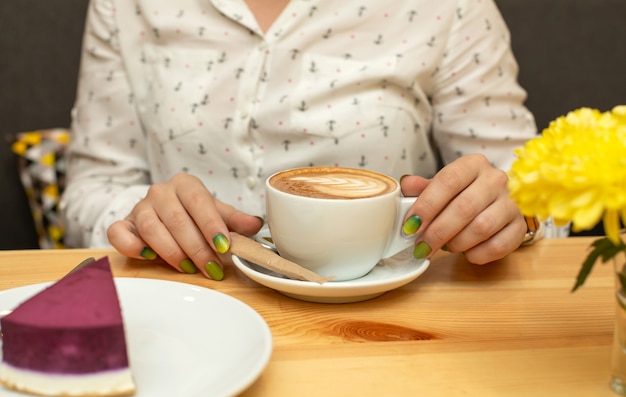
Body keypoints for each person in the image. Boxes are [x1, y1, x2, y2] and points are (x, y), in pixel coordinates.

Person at [60, 0, 538, 280]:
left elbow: (537, 190)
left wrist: (516, 207)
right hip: (196, 302)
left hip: (391, 321)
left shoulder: (449, 9)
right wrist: (142, 218)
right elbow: (89, 191)